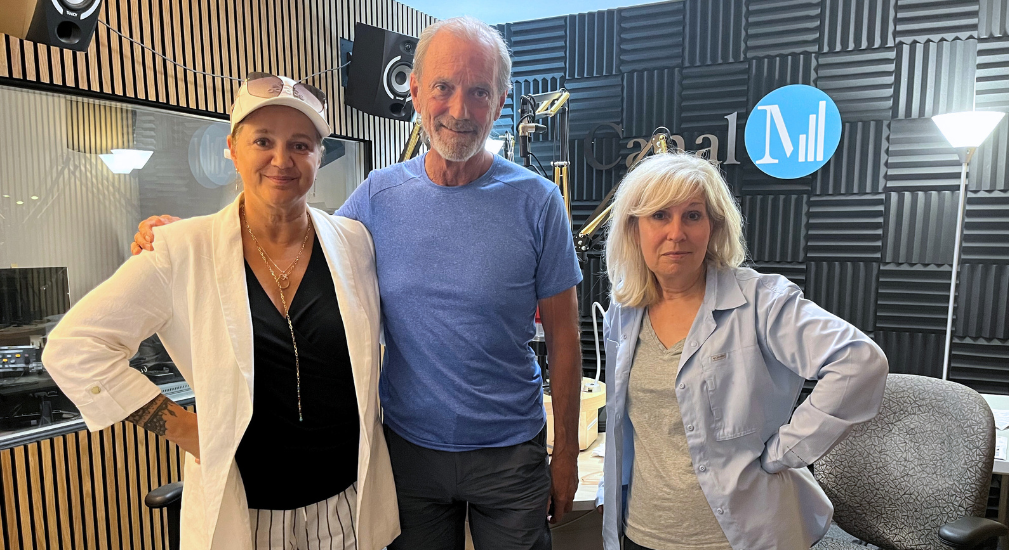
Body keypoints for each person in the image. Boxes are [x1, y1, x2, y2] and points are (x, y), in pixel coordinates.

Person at [132, 16, 583, 550]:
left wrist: (565, 456)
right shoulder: (379, 196)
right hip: (407, 452)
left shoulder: (537, 202)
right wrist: (194, 235)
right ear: (415, 91)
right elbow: (293, 233)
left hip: (511, 454)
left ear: (502, 99)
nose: (460, 110)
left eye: (479, 92)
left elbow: (565, 339)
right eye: (443, 87)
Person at [43, 74, 399, 550]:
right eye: (262, 141)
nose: (281, 159)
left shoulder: (354, 243)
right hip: (245, 515)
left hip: (346, 506)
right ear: (232, 149)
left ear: (319, 156)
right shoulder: (181, 249)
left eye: (300, 144)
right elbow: (74, 348)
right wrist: (184, 428)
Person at [596, 152, 889, 550]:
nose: (677, 233)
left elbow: (859, 362)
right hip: (644, 531)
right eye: (660, 215)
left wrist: (785, 452)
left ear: (713, 227)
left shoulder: (761, 301)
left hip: (738, 537)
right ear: (634, 228)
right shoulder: (624, 313)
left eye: (693, 216)